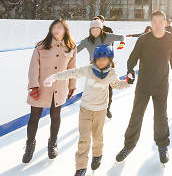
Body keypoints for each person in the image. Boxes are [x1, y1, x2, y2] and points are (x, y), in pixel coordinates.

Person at [44, 45, 130, 176]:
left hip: (101, 110)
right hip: (85, 109)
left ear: (110, 60)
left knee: (97, 136)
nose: (101, 62)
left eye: (104, 59)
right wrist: (55, 76)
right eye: (99, 59)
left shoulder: (111, 73)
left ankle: (97, 154)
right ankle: (81, 168)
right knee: (84, 139)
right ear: (94, 59)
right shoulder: (89, 70)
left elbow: (117, 84)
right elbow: (72, 72)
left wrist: (129, 82)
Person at [116, 11, 172, 165]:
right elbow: (132, 58)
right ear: (151, 23)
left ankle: (163, 146)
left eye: (161, 21)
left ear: (166, 23)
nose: (158, 25)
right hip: (143, 85)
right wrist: (130, 71)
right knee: (136, 115)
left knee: (161, 117)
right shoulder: (143, 39)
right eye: (155, 22)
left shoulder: (171, 39)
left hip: (161, 85)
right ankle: (128, 146)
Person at [24, 19, 77, 163]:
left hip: (59, 88)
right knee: (34, 117)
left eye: (60, 27)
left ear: (65, 30)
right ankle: (29, 145)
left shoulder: (70, 47)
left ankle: (53, 143)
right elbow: (33, 68)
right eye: (54, 27)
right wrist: (34, 86)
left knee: (55, 115)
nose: (56, 30)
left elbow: (72, 68)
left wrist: (72, 85)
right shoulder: (41, 46)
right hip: (40, 88)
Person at [78, 19, 124, 119]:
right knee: (93, 92)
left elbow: (121, 37)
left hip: (108, 69)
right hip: (94, 70)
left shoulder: (108, 36)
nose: (95, 31)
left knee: (109, 91)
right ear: (90, 30)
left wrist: (122, 43)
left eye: (97, 28)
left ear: (101, 29)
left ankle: (107, 108)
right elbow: (75, 50)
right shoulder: (87, 41)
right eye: (92, 29)